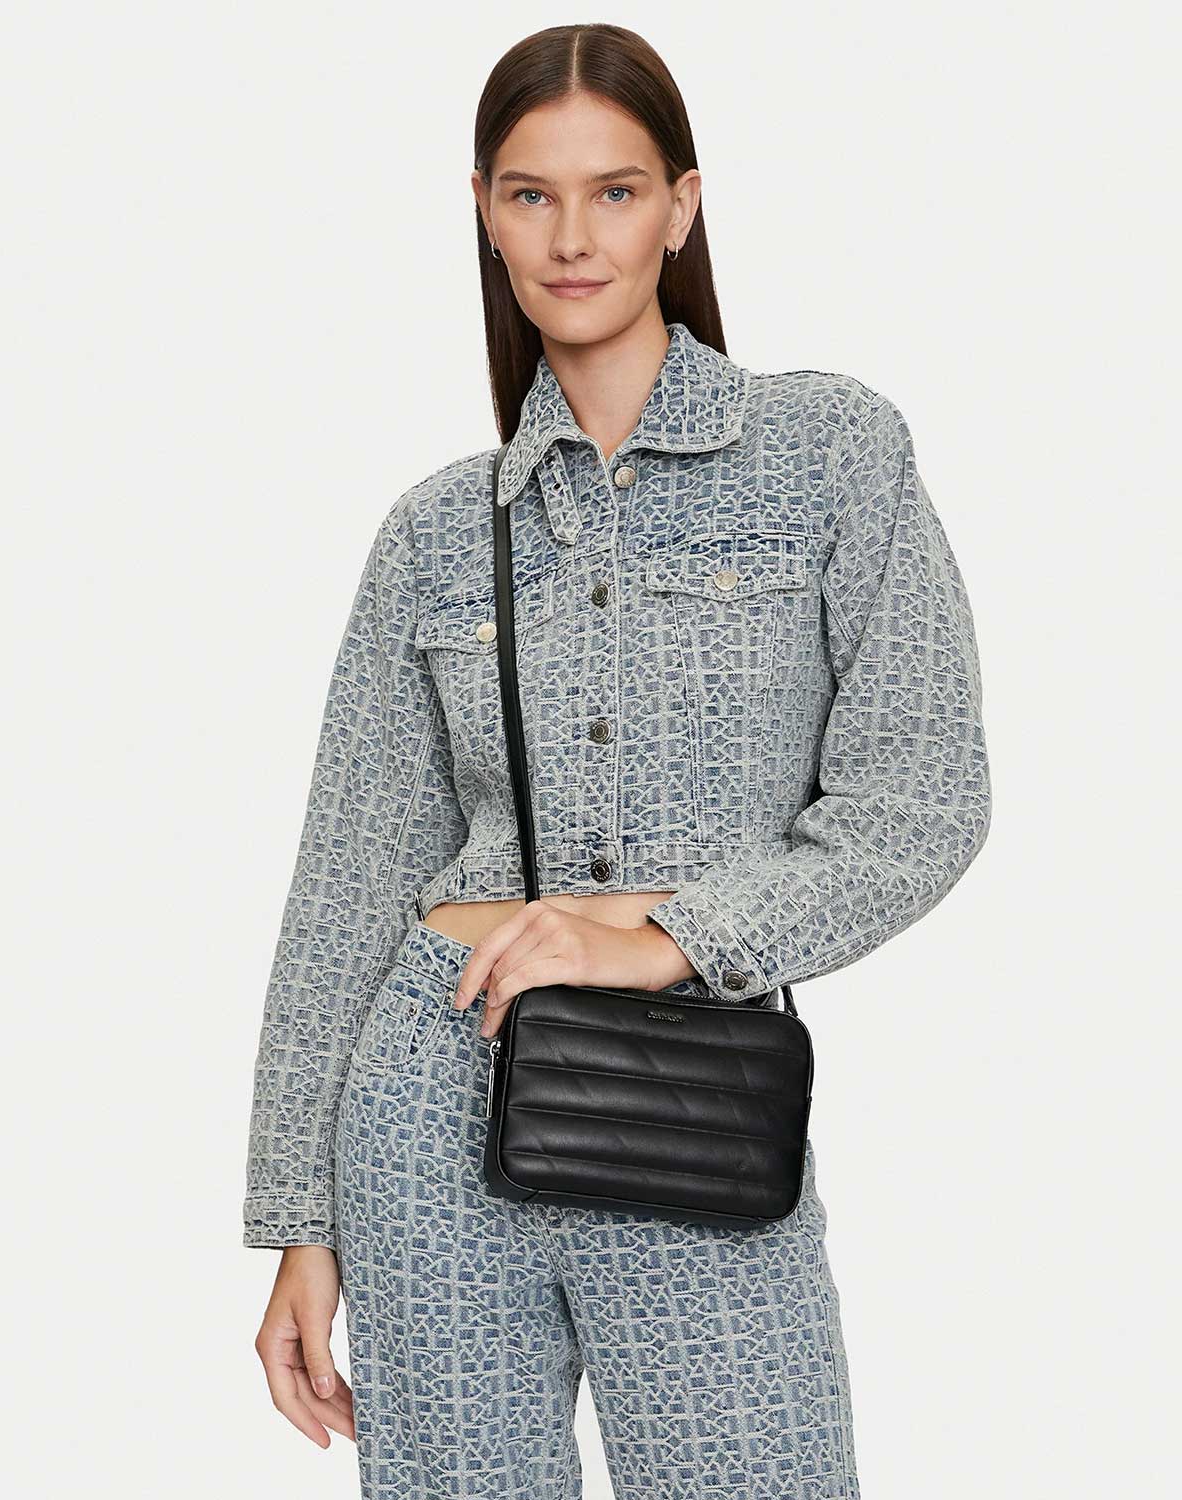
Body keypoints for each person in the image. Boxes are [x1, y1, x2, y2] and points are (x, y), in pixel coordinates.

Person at [242, 23, 991, 1500]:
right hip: (428, 1097)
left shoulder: (830, 453)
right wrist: (298, 1221)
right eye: (531, 195)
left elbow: (923, 803)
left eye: (616, 191)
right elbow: (347, 883)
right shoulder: (437, 530)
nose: (572, 237)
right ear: (484, 212)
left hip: (692, 1098)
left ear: (682, 207)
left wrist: (670, 938)